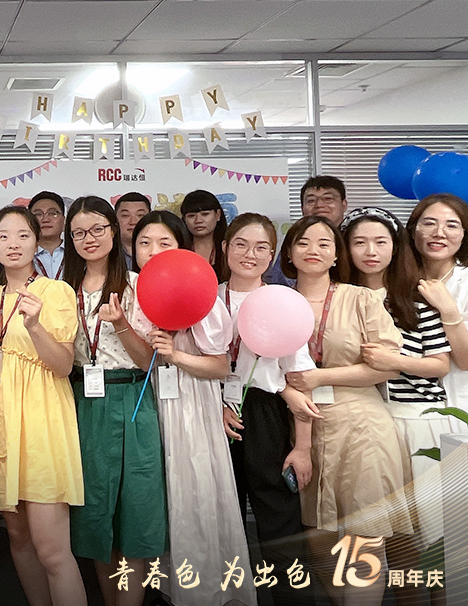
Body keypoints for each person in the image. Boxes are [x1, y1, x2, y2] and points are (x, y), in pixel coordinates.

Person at [282, 216, 412, 604]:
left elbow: (388, 365)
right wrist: (293, 392)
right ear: (289, 253)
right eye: (303, 242)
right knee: (318, 538)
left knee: (364, 539)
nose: (313, 250)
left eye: (324, 243)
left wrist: (320, 377)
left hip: (362, 426)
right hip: (305, 429)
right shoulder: (276, 302)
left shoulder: (360, 299)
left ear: (337, 255)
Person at [133, 211, 255, 606]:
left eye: (164, 243)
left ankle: (204, 592)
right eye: (144, 243)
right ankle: (162, 587)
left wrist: (176, 355)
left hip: (190, 406)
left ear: (181, 247)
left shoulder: (199, 291)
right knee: (157, 498)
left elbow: (219, 366)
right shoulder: (131, 291)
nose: (153, 251)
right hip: (148, 404)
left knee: (193, 492)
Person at [343, 206, 451, 606]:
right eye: (359, 242)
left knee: (428, 534)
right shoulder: (340, 300)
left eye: (380, 242)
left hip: (415, 422)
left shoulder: (414, 298)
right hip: (365, 426)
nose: (370, 251)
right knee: (383, 534)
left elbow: (440, 364)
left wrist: (394, 362)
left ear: (396, 246)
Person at [0, 205, 86, 606]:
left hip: (42, 422)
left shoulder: (56, 292)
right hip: (0, 421)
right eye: (4, 236)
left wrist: (35, 326)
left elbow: (63, 366)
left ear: (36, 242)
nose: (13, 244)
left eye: (23, 235)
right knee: (18, 538)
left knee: (51, 548)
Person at [61, 197, 164, 606]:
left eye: (97, 229)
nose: (89, 239)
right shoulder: (63, 290)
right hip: (83, 403)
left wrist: (121, 323)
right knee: (94, 517)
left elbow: (149, 360)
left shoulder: (138, 285)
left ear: (114, 230)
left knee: (135, 513)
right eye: (79, 233)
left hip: (133, 399)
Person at [219, 213, 317, 606]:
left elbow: (299, 379)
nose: (250, 254)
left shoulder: (282, 301)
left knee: (279, 523)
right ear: (224, 247)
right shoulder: (207, 298)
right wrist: (216, 404)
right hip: (213, 414)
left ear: (273, 255)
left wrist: (303, 447)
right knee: (220, 522)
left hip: (265, 413)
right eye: (241, 244)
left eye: (262, 247)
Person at [410, 194, 468, 416]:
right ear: (413, 230)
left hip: (458, 402)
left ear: (464, 234)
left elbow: (465, 361)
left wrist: (449, 311)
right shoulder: (397, 281)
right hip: (407, 406)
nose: (439, 233)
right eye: (429, 223)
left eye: (451, 225)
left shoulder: (465, 281)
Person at [266, 176, 349, 286]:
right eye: (311, 200)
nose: (319, 205)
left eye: (328, 198)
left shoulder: (353, 238)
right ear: (302, 208)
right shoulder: (295, 238)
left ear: (344, 205)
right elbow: (278, 283)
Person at [180, 189, 229, 281]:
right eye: (191, 216)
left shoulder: (229, 249)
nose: (198, 220)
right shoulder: (178, 249)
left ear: (218, 215)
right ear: (184, 219)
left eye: (205, 214)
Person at [29, 191, 66, 280]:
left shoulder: (77, 251)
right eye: (38, 214)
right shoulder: (23, 254)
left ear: (64, 220)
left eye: (52, 213)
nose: (45, 219)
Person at [113, 192, 150, 271]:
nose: (133, 222)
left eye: (140, 215)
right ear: (115, 220)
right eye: (125, 215)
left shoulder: (157, 252)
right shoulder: (106, 254)